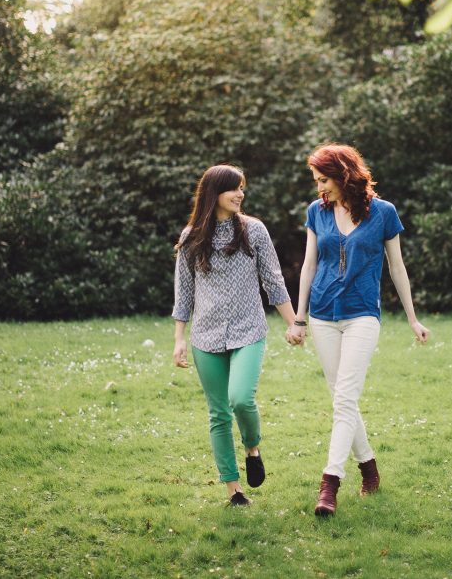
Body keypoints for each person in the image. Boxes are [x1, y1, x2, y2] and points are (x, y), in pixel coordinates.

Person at [288, 143, 429, 517]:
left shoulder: (384, 213)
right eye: (316, 181)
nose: (320, 188)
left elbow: (397, 268)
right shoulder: (316, 212)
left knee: (345, 398)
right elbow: (309, 265)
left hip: (363, 313)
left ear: (344, 175)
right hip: (321, 313)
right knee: (342, 398)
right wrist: (299, 319)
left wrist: (412, 318)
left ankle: (330, 483)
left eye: (324, 180)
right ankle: (369, 468)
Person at [172, 164, 304, 507]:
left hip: (248, 329)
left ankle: (253, 447)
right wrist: (179, 339)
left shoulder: (254, 231)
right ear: (214, 192)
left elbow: (273, 280)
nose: (240, 194)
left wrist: (293, 323)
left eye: (242, 188)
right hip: (206, 335)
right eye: (234, 188)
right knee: (218, 413)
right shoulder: (191, 237)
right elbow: (184, 292)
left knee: (241, 399)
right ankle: (234, 491)